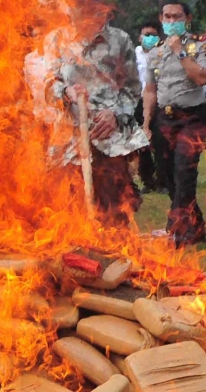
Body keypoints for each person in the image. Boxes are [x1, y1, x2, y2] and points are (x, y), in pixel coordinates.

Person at [43, 1, 149, 226]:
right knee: (72, 214)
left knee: (115, 213)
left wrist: (115, 114)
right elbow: (48, 86)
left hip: (109, 141)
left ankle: (120, 257)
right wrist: (66, 91)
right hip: (71, 141)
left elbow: (131, 89)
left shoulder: (119, 40)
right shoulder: (56, 40)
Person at [143, 0, 206, 248]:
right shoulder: (155, 52)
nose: (172, 21)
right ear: (161, 19)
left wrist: (180, 52)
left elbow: (201, 78)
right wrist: (146, 123)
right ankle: (196, 226)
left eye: (177, 16)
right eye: (167, 16)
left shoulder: (199, 45)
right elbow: (150, 90)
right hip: (164, 118)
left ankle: (178, 229)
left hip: (191, 118)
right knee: (168, 176)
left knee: (185, 171)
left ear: (187, 18)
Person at [135, 21, 166, 194]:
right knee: (141, 143)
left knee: (160, 141)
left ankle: (163, 181)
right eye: (146, 34)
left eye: (153, 34)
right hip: (138, 102)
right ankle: (147, 180)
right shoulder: (134, 54)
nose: (149, 37)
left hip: (159, 101)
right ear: (140, 37)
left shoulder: (162, 54)